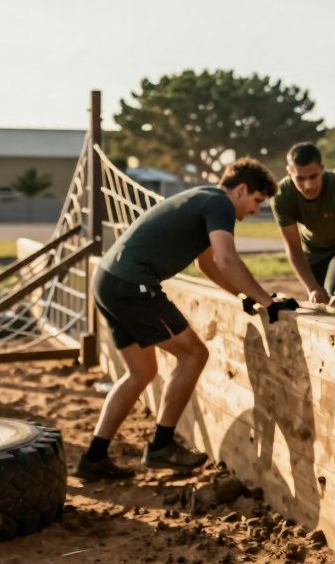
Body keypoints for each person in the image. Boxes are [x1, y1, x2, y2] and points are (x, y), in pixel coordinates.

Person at [74, 158, 299, 480]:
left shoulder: (203, 199)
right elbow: (226, 258)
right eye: (256, 201)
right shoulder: (220, 204)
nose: (254, 210)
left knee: (141, 372)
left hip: (108, 281)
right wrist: (268, 301)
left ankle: (94, 457)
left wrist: (243, 296)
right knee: (194, 354)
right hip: (130, 284)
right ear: (242, 189)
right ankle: (161, 446)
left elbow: (207, 265)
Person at [272, 142, 335, 308]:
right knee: (317, 297)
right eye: (300, 178)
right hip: (313, 247)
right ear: (289, 172)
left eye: (313, 176)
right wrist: (312, 288)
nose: (308, 185)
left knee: (333, 298)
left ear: (322, 168)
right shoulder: (281, 196)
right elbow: (294, 248)